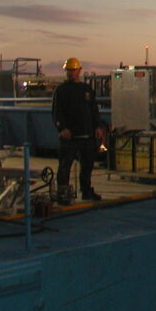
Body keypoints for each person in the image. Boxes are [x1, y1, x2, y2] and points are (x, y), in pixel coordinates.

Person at [52, 57, 105, 205]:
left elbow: (93, 110)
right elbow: (57, 111)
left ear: (79, 71)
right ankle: (63, 193)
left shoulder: (86, 90)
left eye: (73, 70)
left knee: (87, 165)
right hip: (70, 137)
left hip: (87, 135)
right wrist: (62, 128)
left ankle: (86, 191)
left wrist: (97, 126)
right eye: (68, 70)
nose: (71, 73)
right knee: (65, 165)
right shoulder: (61, 90)